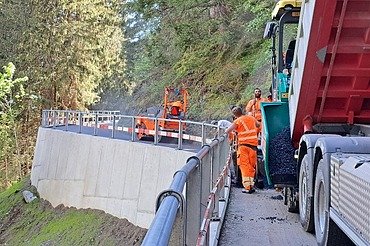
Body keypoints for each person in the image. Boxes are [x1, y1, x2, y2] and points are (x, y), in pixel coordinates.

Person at [225, 106, 260, 194]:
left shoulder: (237, 121)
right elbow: (258, 125)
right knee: (251, 167)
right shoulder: (251, 118)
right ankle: (251, 185)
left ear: (234, 115)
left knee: (245, 167)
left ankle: (248, 187)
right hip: (253, 146)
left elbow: (228, 130)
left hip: (243, 146)